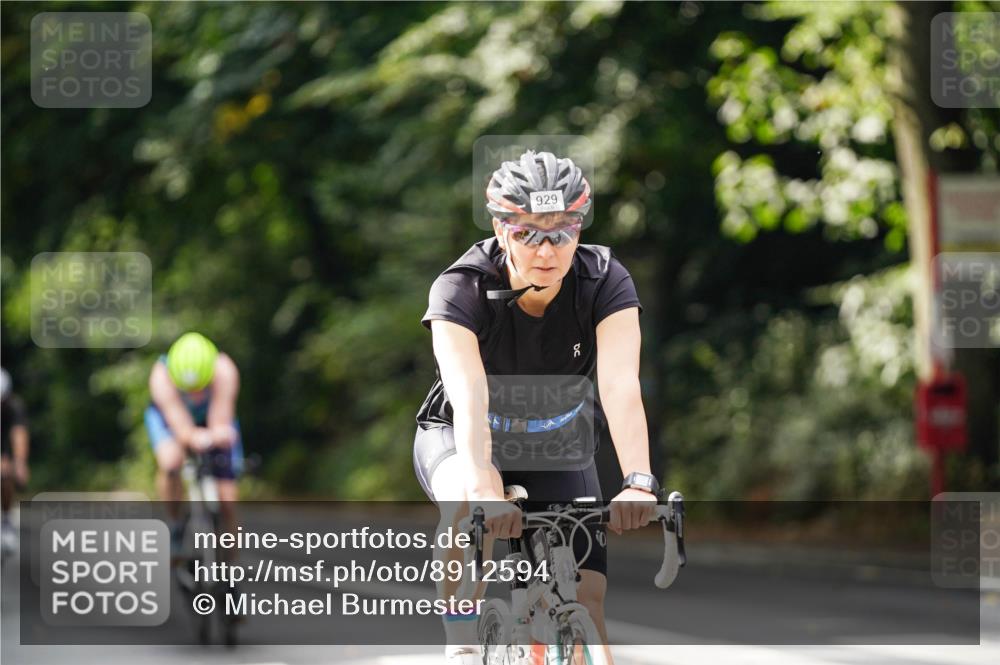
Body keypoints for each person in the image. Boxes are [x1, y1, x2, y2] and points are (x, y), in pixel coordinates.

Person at [414, 150, 660, 664]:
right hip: (464, 432)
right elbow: (468, 396)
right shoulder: (461, 289)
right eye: (528, 232)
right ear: (501, 231)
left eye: (562, 231)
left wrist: (638, 480)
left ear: (580, 228)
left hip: (556, 439)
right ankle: (460, 643)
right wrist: (486, 488)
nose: (546, 250)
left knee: (587, 605)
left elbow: (619, 385)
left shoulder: (604, 280)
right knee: (466, 505)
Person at [145, 332, 243, 556]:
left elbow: (220, 418)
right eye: (188, 390)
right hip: (171, 419)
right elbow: (181, 428)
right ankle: (174, 524)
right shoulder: (161, 377)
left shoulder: (224, 370)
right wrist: (192, 438)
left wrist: (216, 435)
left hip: (213, 417)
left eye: (201, 388)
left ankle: (229, 565)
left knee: (227, 497)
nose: (196, 396)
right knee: (171, 463)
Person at [1, 367, 30, 555]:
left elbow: (19, 434)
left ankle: (6, 519)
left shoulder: (14, 406)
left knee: (5, 472)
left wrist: (20, 462)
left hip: (4, 449)